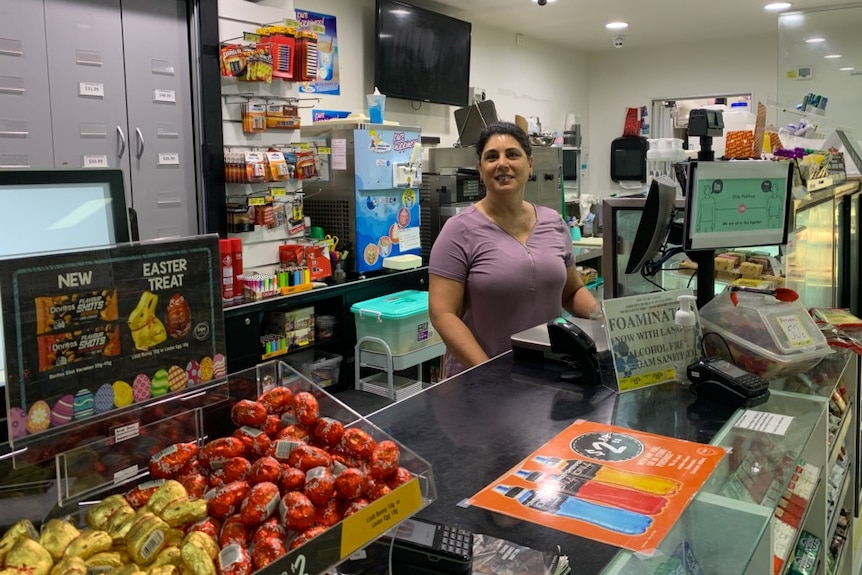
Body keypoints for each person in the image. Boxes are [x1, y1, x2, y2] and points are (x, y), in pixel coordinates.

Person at [428, 121, 600, 378]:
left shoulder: (553, 222)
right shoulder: (459, 230)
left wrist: (606, 318)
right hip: (481, 382)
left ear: (529, 164)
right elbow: (442, 313)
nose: (502, 163)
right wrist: (488, 372)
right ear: (480, 169)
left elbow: (571, 292)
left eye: (512, 154)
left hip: (547, 373)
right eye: (491, 157)